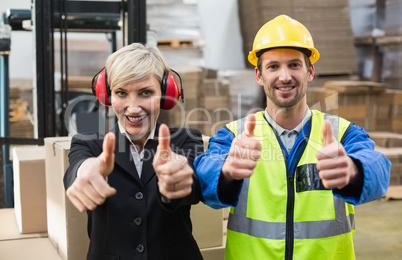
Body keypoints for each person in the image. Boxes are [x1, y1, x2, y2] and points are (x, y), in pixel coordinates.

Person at [194, 15, 391, 260]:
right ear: (259, 75)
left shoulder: (342, 134)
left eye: (294, 65)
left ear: (310, 71)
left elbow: (379, 168)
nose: (284, 76)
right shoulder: (235, 136)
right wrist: (225, 171)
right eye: (273, 66)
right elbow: (204, 175)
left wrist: (354, 170)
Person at [63, 43, 204, 260]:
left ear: (166, 95)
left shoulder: (186, 140)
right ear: (108, 96)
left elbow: (192, 188)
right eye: (121, 93)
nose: (133, 107)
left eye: (145, 92)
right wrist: (84, 171)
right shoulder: (88, 144)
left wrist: (176, 180)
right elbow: (77, 169)